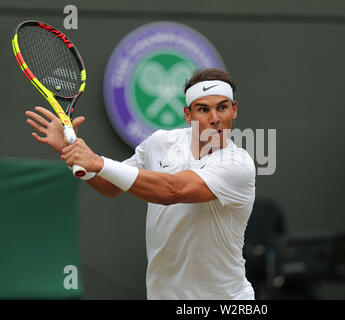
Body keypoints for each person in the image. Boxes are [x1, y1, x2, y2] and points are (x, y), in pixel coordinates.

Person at [25, 68, 256, 300]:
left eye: (222, 107)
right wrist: (70, 151)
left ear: (234, 110)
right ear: (188, 114)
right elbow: (110, 186)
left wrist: (97, 161)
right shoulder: (160, 142)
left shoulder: (238, 164)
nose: (215, 118)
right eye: (203, 109)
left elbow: (171, 190)